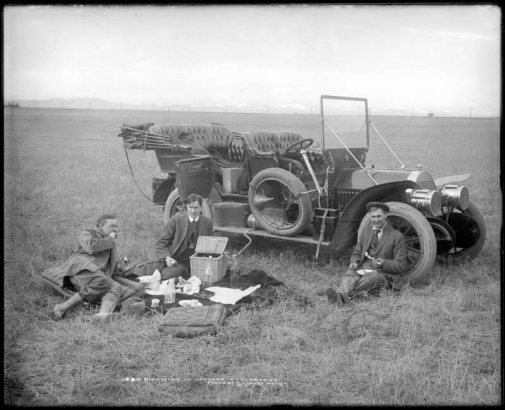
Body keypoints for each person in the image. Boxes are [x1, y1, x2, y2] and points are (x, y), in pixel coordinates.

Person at [324, 202, 407, 306]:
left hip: (383, 274)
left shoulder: (397, 236)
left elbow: (401, 265)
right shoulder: (366, 232)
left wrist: (384, 263)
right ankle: (339, 298)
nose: (376, 220)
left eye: (379, 216)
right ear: (369, 216)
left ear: (386, 215)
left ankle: (343, 296)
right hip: (363, 269)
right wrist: (355, 261)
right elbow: (357, 252)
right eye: (373, 217)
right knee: (350, 275)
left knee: (370, 279)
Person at [53, 214, 128, 323]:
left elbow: (107, 264)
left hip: (97, 273)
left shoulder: (108, 242)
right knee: (102, 281)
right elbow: (91, 247)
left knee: (116, 286)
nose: (116, 229)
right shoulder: (88, 233)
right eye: (112, 226)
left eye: (116, 226)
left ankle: (103, 315)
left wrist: (121, 268)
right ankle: (62, 307)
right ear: (101, 226)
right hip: (82, 267)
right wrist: (110, 239)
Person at [155, 193, 213, 280]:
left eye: (196, 208)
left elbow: (210, 245)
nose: (193, 211)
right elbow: (161, 242)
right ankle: (167, 273)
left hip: (198, 261)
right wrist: (167, 257)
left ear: (201, 207)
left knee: (210, 274)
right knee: (173, 273)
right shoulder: (176, 219)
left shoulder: (207, 223)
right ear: (186, 206)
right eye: (191, 207)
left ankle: (186, 274)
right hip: (178, 260)